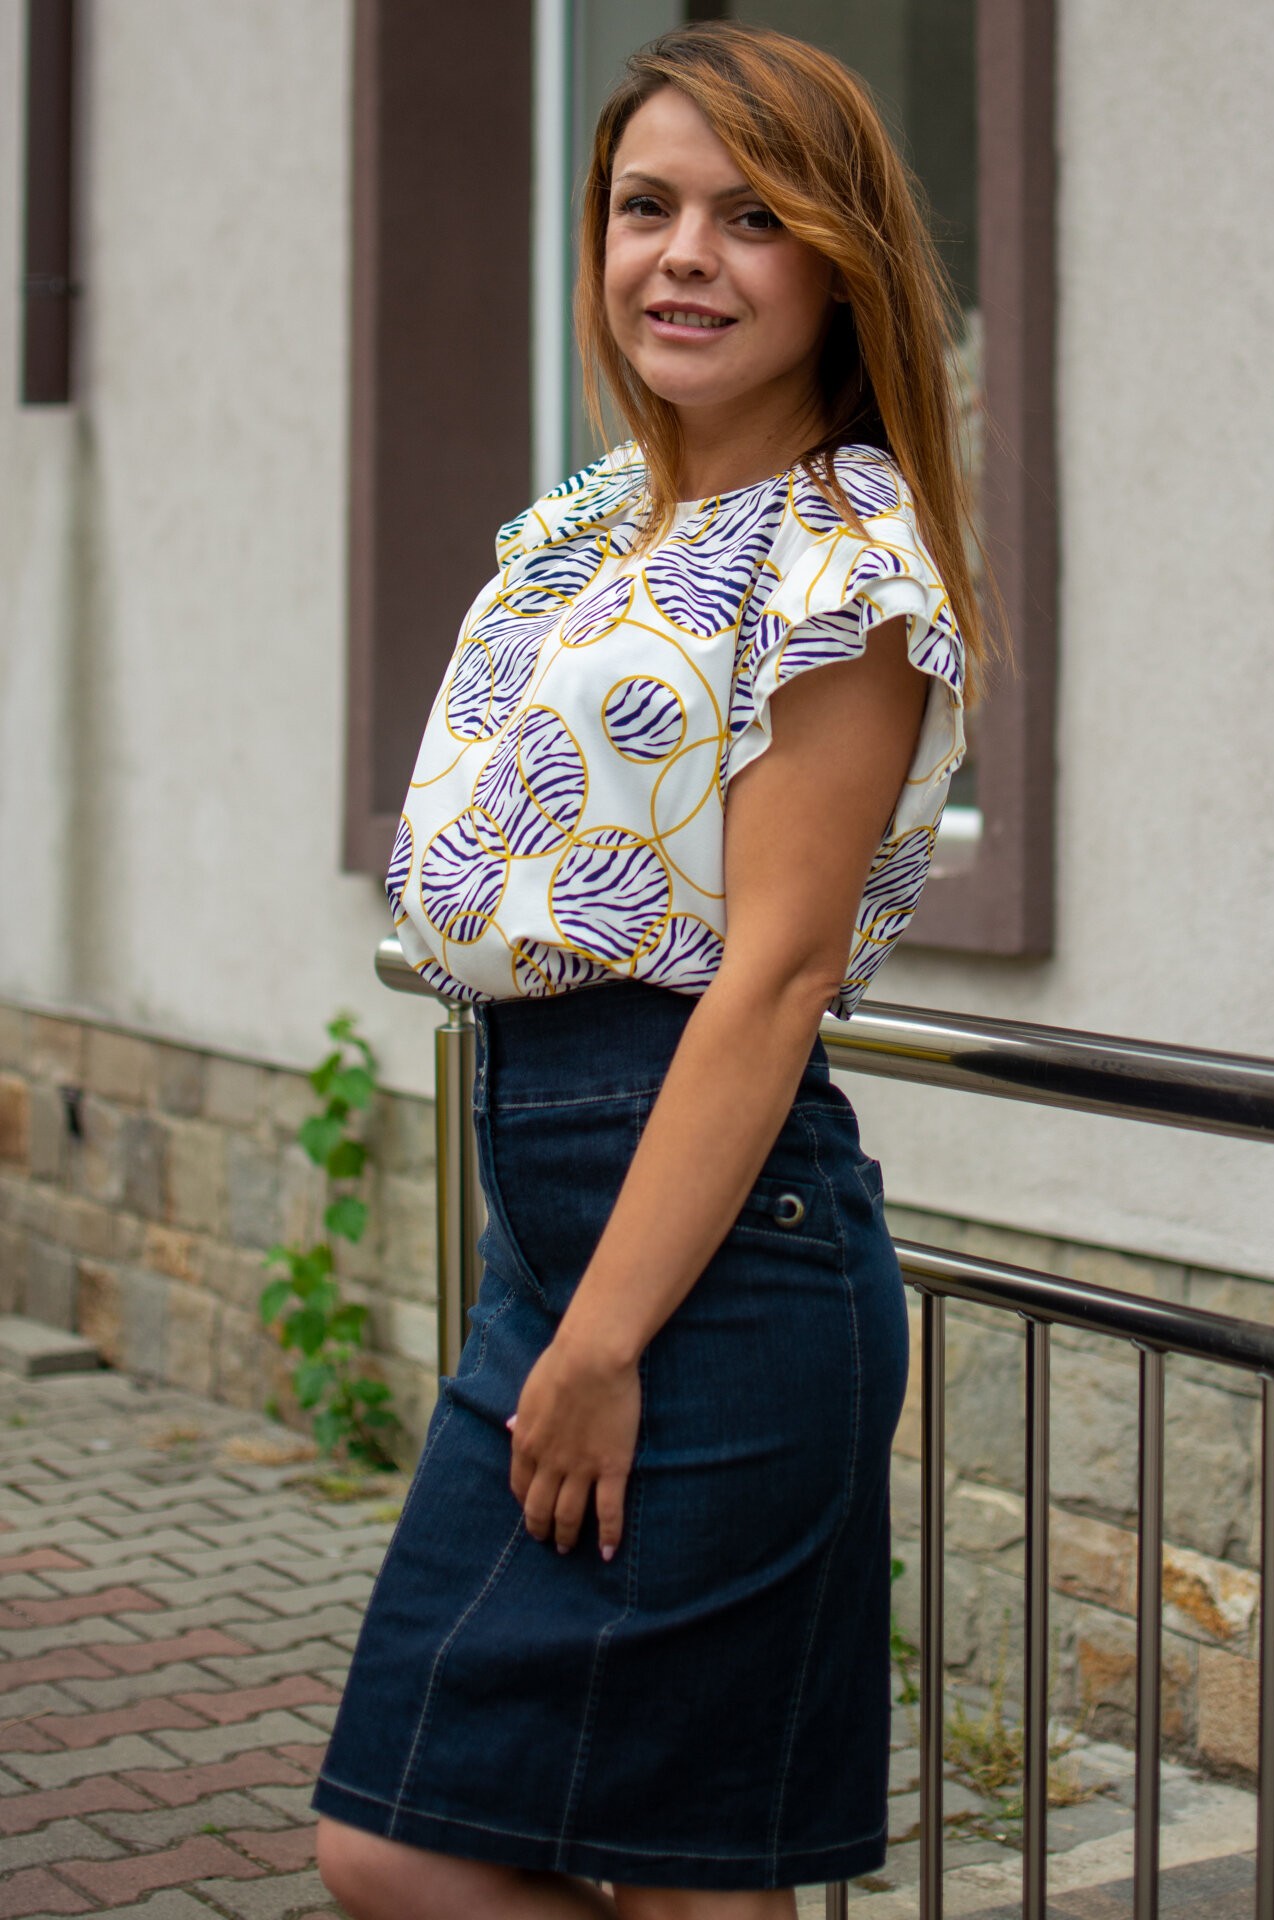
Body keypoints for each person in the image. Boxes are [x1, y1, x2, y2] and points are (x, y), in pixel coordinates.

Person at [314, 21, 997, 1920]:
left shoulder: (841, 556)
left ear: (836, 260)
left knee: (685, 1875)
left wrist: (605, 1340)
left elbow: (770, 978)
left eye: (750, 216)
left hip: (711, 1242)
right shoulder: (592, 529)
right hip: (554, 1207)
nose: (683, 253)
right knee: (405, 1829)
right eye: (644, 207)